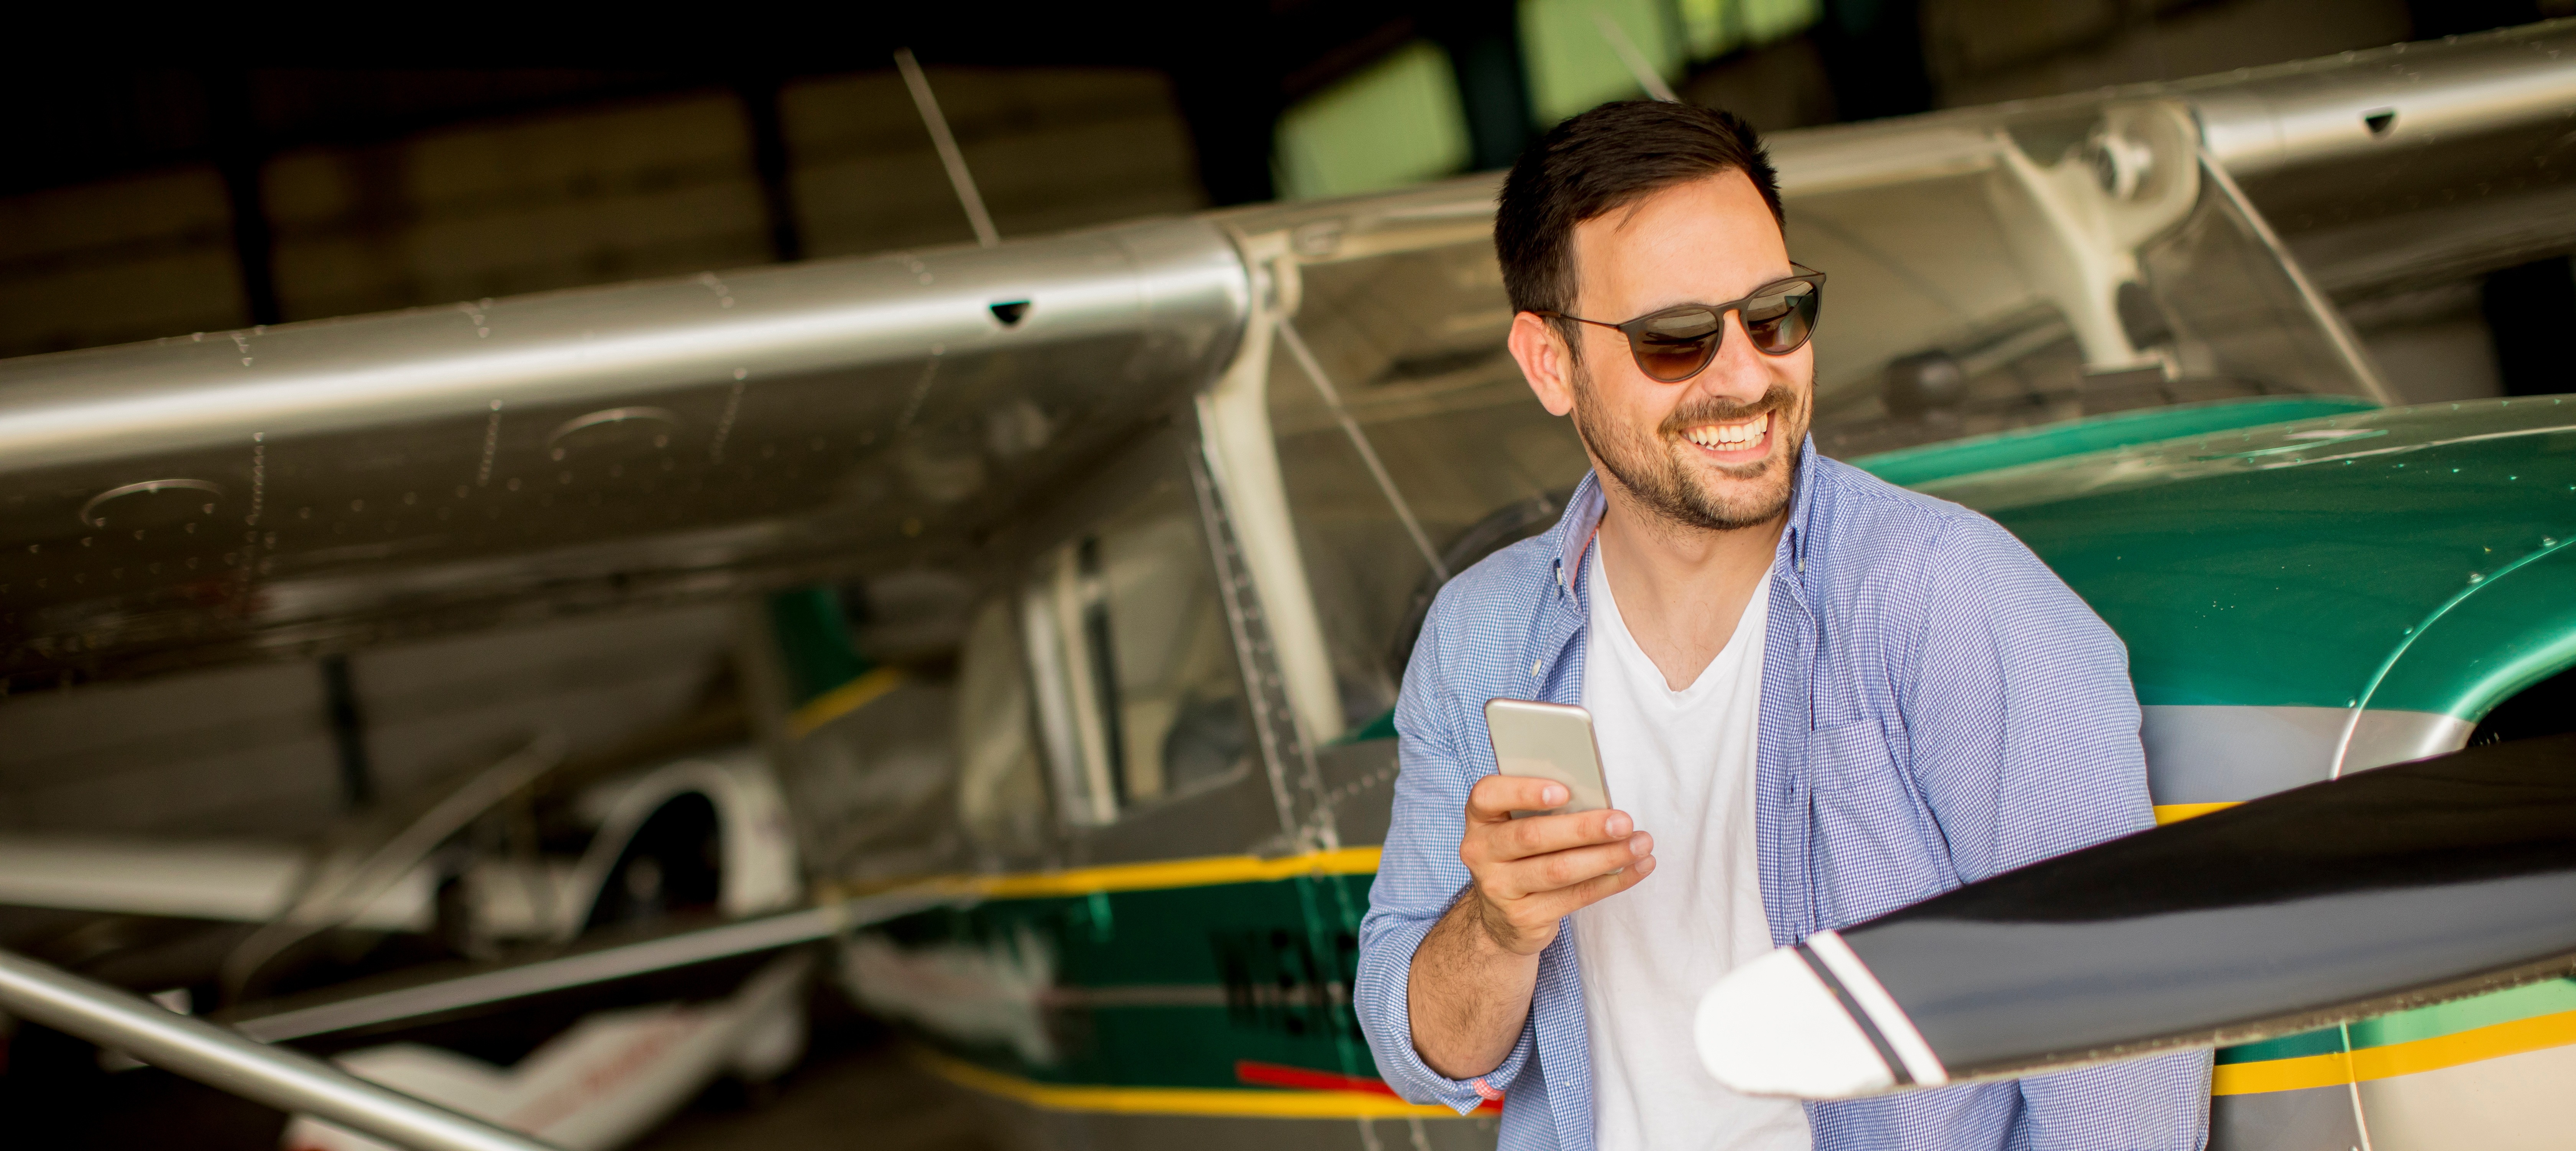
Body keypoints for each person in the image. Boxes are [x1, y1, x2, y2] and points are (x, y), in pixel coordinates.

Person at [1351, 100, 2210, 1151]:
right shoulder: (1479, 634)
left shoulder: (1950, 596)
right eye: (1676, 339)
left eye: (1775, 314)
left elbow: (2124, 1040)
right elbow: (1424, 1052)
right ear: (1549, 364)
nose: (1748, 374)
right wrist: (1498, 923)